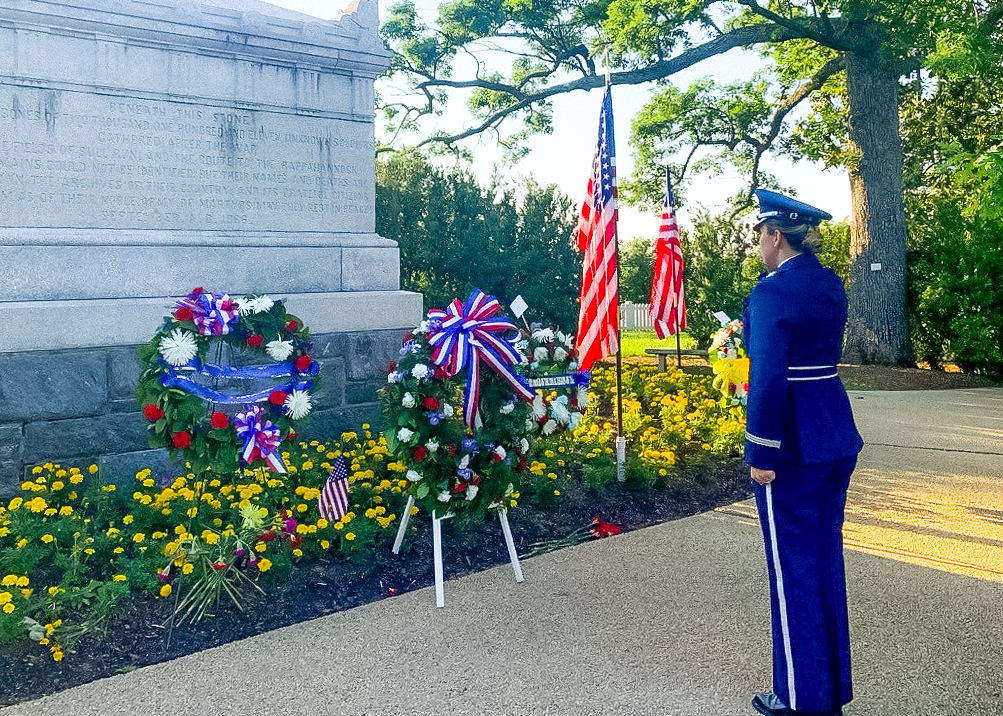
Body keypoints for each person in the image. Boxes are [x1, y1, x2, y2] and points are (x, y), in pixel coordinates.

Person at [743, 189, 864, 716]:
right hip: (833, 434)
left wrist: (760, 449)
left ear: (775, 236)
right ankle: (829, 688)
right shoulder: (828, 284)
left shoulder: (772, 293)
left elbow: (767, 379)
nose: (758, 245)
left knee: (793, 572)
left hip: (789, 445)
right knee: (821, 563)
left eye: (759, 236)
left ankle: (798, 698)